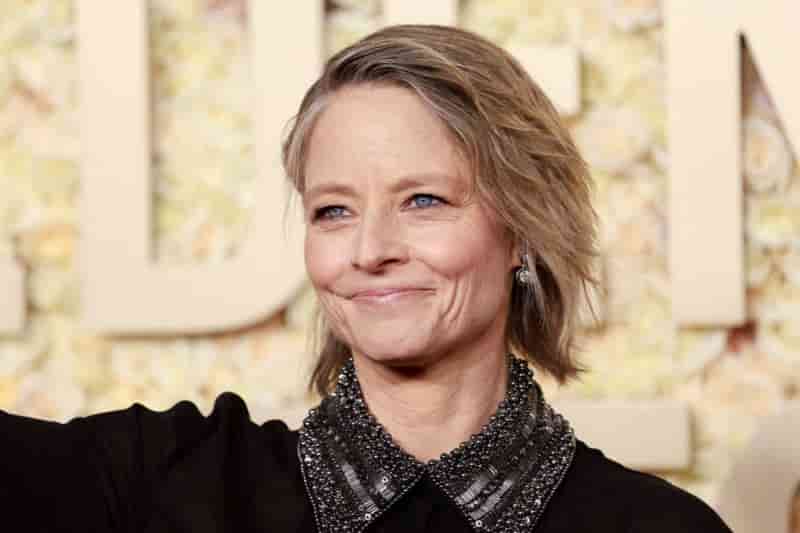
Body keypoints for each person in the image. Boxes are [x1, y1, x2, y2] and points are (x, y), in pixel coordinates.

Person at [0, 25, 732, 532]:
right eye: (334, 211)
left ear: (520, 230)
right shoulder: (165, 483)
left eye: (424, 200)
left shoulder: (657, 526)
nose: (370, 250)